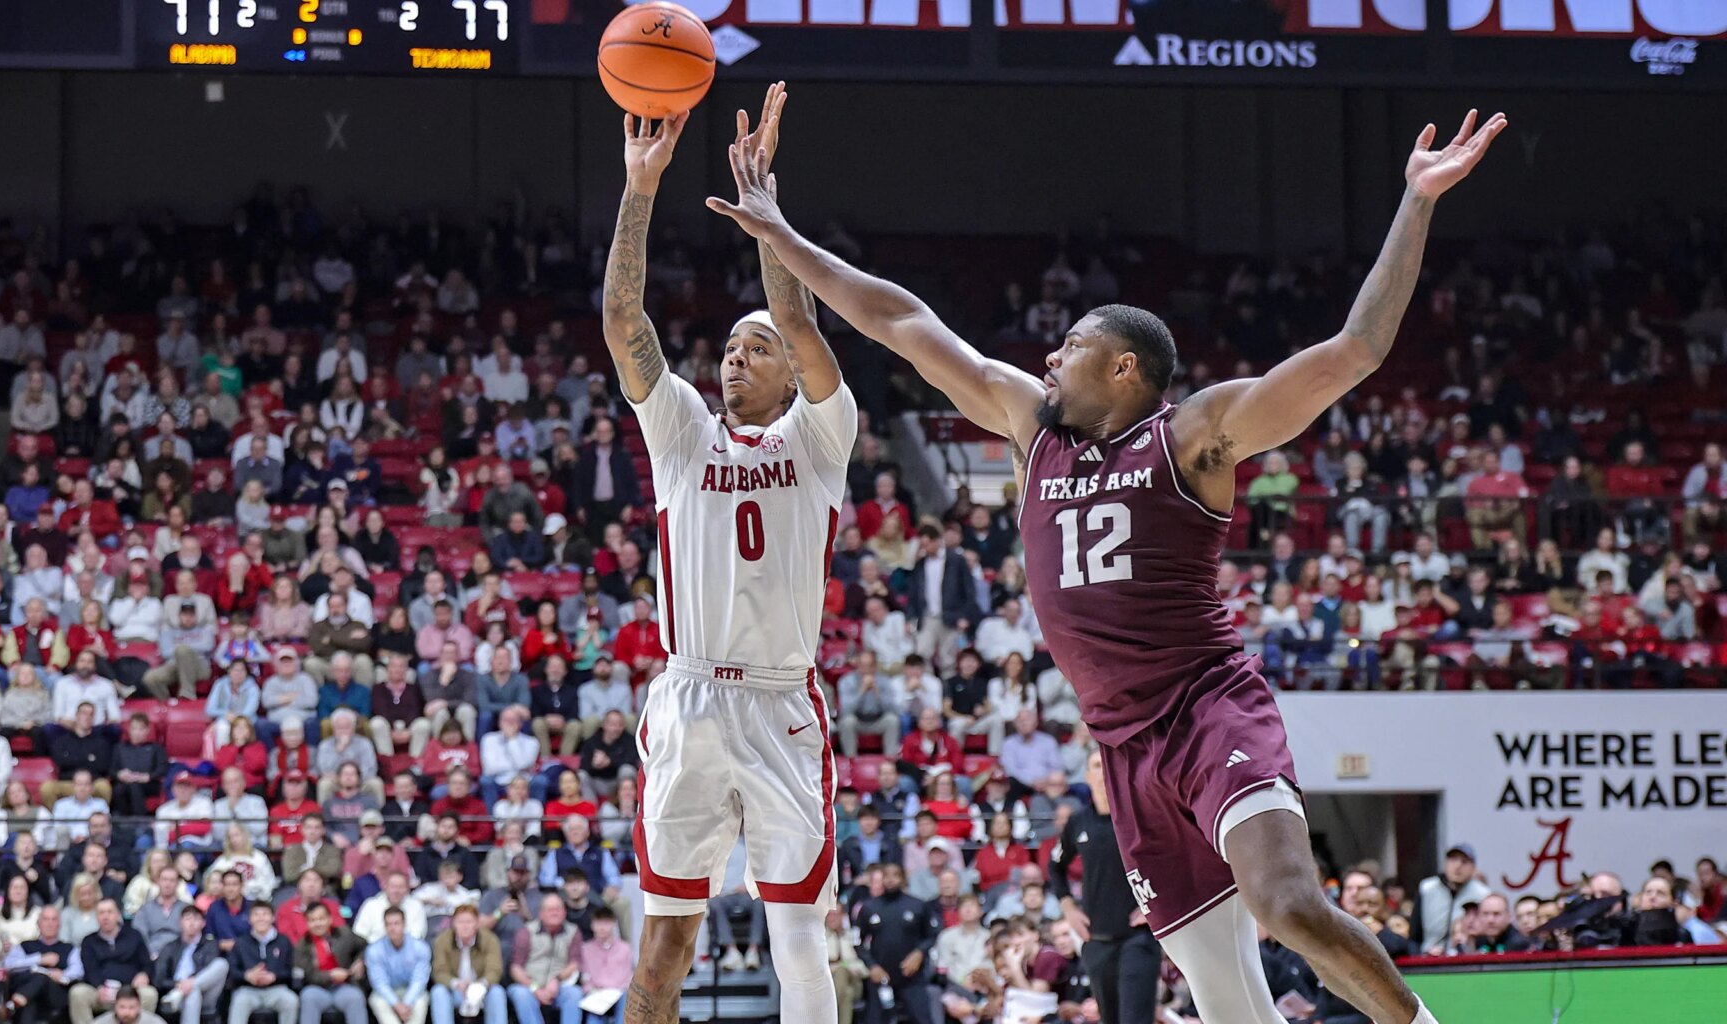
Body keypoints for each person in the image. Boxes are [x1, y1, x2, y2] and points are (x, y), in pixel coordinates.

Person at [716, 86, 1504, 1024]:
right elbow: (900, 322)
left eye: (1072, 345)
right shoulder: (1031, 426)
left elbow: (1356, 349)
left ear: (1124, 367)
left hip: (1208, 710)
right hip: (1122, 748)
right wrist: (780, 234)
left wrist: (1416, 200)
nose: (1050, 358)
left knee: (1288, 906)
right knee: (1220, 990)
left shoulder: (1195, 434)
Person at [604, 86, 849, 1024]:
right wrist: (641, 189)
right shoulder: (682, 431)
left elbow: (804, 325)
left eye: (758, 348)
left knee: (799, 938)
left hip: (781, 702)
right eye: (731, 347)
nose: (736, 358)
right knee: (664, 948)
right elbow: (623, 320)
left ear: (790, 373)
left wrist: (765, 217)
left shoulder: (819, 437)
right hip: (692, 696)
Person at [1049, 749, 1158, 1024]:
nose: (1103, 770)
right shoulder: (1078, 822)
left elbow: (1177, 859)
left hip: (1138, 939)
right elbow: (1055, 866)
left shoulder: (1142, 816)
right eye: (1097, 765)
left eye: (1108, 763)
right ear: (1087, 775)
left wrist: (1158, 905)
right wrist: (1068, 907)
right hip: (1096, 941)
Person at [850, 863, 939, 1024]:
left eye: (895, 875)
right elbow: (856, 941)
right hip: (881, 977)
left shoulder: (918, 905)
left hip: (911, 977)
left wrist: (919, 953)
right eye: (886, 876)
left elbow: (932, 935)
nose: (890, 880)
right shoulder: (868, 907)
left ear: (903, 879)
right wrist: (871, 966)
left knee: (923, 1019)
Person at [69, 900, 158, 1024]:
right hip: (102, 991)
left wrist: (144, 975)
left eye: (110, 912)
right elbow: (90, 970)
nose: (105, 917)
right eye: (101, 913)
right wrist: (99, 987)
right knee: (77, 993)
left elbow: (147, 964)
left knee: (150, 994)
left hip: (130, 991)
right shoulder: (88, 941)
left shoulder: (134, 935)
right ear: (96, 917)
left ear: (117, 915)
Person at [507, 895, 583, 1024]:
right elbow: (515, 968)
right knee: (520, 994)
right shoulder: (526, 931)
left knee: (575, 993)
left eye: (558, 909)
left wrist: (557, 980)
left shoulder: (573, 931)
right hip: (530, 985)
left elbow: (574, 963)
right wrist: (535, 988)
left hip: (559, 986)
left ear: (564, 912)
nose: (555, 913)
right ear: (541, 913)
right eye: (550, 910)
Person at [431, 903, 506, 1023]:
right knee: (438, 991)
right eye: (460, 922)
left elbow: (494, 970)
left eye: (469, 922)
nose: (465, 926)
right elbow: (439, 972)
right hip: (455, 990)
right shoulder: (442, 940)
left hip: (481, 989)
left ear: (477, 923)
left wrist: (481, 985)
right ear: (453, 923)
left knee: (497, 992)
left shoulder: (490, 940)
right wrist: (456, 984)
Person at [294, 902, 368, 1024]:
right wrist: (330, 976)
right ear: (307, 923)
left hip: (344, 986)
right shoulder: (303, 945)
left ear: (329, 919)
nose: (317, 924)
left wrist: (360, 961)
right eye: (312, 920)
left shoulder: (344, 934)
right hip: (317, 989)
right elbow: (308, 974)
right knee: (307, 996)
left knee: (356, 997)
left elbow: (366, 947)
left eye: (321, 919)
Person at [227, 902, 297, 1024]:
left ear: (273, 918)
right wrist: (247, 975)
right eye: (256, 914)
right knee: (239, 1001)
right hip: (248, 990)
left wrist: (274, 976)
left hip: (276, 988)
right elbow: (232, 970)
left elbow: (290, 969)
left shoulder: (283, 941)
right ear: (250, 919)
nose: (261, 918)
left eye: (265, 914)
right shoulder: (240, 942)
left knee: (291, 1001)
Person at [365, 907, 431, 1024]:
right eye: (388, 924)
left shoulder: (420, 947)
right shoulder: (374, 950)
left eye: (396, 923)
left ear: (404, 924)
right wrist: (396, 1004)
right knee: (376, 1001)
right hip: (388, 992)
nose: (392, 928)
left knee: (421, 1001)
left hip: (412, 990)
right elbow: (380, 983)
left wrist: (407, 1003)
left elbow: (419, 980)